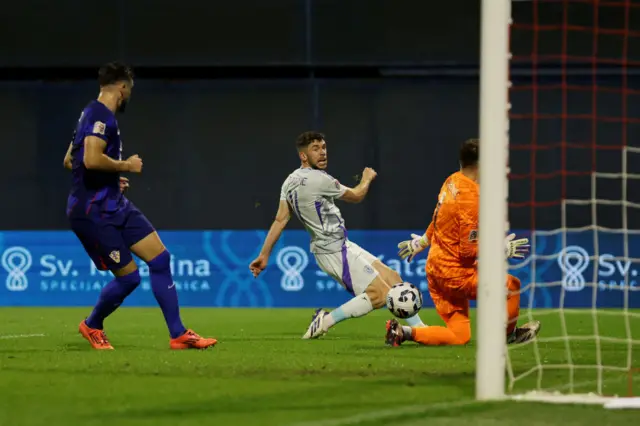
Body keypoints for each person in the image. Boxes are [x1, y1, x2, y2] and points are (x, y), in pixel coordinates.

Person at [63, 61, 217, 350]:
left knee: (160, 259)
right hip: (93, 212)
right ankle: (92, 324)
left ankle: (178, 334)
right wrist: (125, 166)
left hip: (113, 203)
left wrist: (110, 179)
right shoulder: (100, 117)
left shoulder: (89, 113)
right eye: (129, 89)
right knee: (130, 278)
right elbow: (90, 160)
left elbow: (70, 161)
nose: (129, 95)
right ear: (122, 87)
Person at [249, 131, 427, 339]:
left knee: (393, 278)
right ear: (303, 156)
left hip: (340, 245)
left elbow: (280, 219)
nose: (323, 153)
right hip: (332, 250)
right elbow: (357, 195)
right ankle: (325, 321)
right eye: (315, 149)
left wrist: (264, 255)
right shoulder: (319, 180)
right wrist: (366, 178)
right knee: (378, 295)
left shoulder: (290, 181)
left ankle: (422, 330)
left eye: (324, 147)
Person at [386, 138, 540, 346]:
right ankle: (509, 336)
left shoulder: (451, 181)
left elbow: (438, 219)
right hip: (456, 276)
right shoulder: (472, 197)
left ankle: (402, 332)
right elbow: (468, 251)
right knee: (511, 285)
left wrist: (422, 241)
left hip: (436, 271)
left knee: (460, 336)